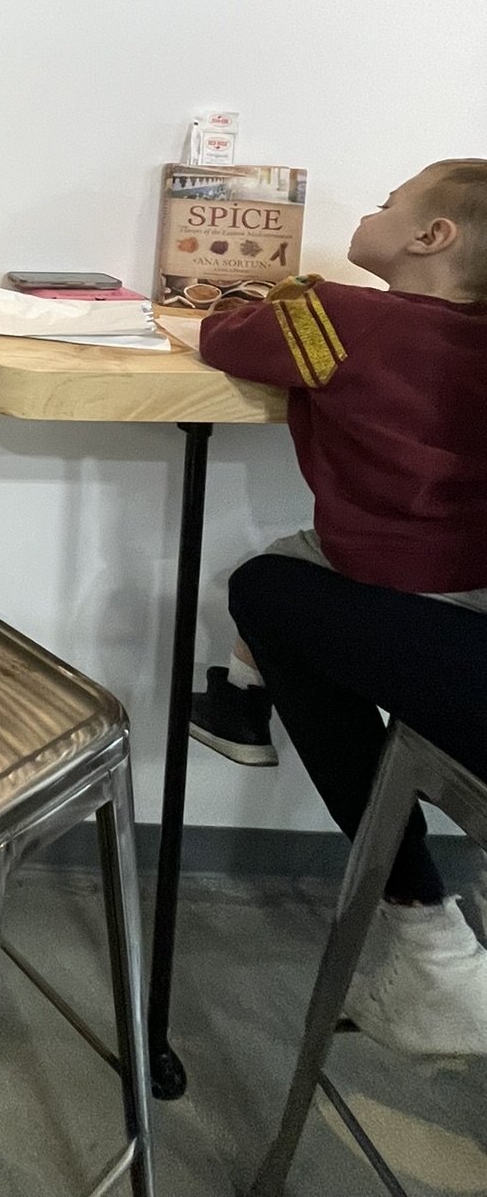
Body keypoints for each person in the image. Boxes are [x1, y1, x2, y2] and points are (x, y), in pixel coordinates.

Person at [188, 161, 487, 1056]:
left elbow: (222, 338)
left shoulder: (344, 319)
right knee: (288, 570)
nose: (373, 210)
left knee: (266, 585)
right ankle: (242, 697)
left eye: (390, 203)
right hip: (465, 592)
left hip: (392, 577)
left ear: (433, 239)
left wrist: (287, 290)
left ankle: (431, 942)